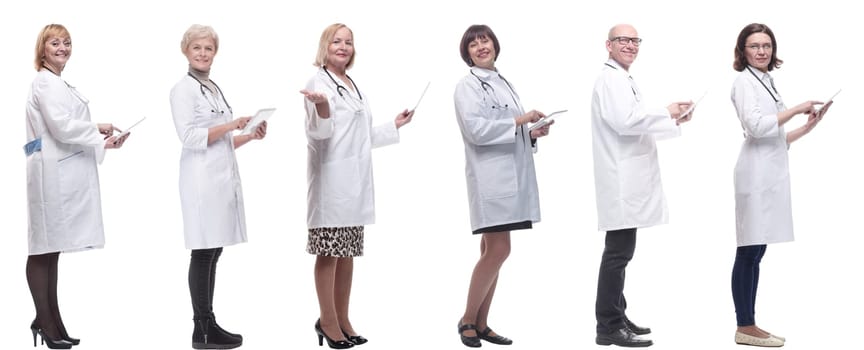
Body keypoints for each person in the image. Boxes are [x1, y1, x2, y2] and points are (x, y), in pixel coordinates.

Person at [300, 23, 413, 349]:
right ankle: (327, 321)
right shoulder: (317, 83)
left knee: (346, 254)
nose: (343, 46)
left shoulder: (351, 84)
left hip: (355, 185)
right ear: (325, 46)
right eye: (336, 41)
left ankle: (343, 318)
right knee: (329, 253)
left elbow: (360, 137)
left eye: (348, 42)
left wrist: (394, 125)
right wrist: (321, 107)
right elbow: (319, 134)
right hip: (332, 186)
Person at [24, 23, 130, 349]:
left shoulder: (57, 82)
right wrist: (102, 142)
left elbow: (66, 121)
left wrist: (97, 127)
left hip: (54, 170)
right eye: (55, 43)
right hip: (49, 175)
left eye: (67, 43)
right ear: (42, 49)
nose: (63, 48)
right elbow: (61, 127)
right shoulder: (44, 82)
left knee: (51, 247)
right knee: (43, 248)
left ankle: (51, 320)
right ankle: (45, 320)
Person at [590, 24, 693, 348]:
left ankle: (617, 314)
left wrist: (672, 119)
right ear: (608, 45)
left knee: (622, 251)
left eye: (635, 40)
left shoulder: (622, 78)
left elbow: (635, 120)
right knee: (617, 254)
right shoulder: (610, 79)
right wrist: (666, 111)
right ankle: (607, 325)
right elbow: (625, 122)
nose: (631, 45)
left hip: (628, 180)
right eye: (623, 40)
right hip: (621, 181)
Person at [729, 23, 830, 348]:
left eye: (767, 45)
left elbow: (776, 137)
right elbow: (757, 128)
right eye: (754, 46)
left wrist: (807, 127)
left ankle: (750, 324)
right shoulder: (744, 82)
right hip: (755, 175)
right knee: (748, 251)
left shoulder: (766, 80)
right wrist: (798, 107)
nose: (761, 51)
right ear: (743, 51)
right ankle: (745, 325)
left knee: (757, 251)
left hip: (768, 172)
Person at [453, 24, 554, 348]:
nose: (481, 46)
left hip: (508, 176)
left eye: (485, 41)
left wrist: (530, 132)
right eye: (474, 44)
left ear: (495, 45)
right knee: (499, 250)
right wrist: (521, 122)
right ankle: (467, 319)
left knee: (491, 250)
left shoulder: (501, 81)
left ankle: (482, 322)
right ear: (466, 52)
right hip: (491, 180)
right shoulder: (467, 86)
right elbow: (476, 131)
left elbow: (505, 128)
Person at [169, 24, 267, 350]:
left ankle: (209, 323)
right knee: (203, 249)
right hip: (200, 182)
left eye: (208, 48)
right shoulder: (182, 89)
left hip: (219, 178)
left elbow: (222, 142)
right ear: (186, 51)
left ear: (215, 53)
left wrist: (249, 134)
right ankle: (201, 328)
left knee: (214, 249)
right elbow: (190, 137)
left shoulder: (211, 87)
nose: (202, 53)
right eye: (196, 47)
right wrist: (232, 123)